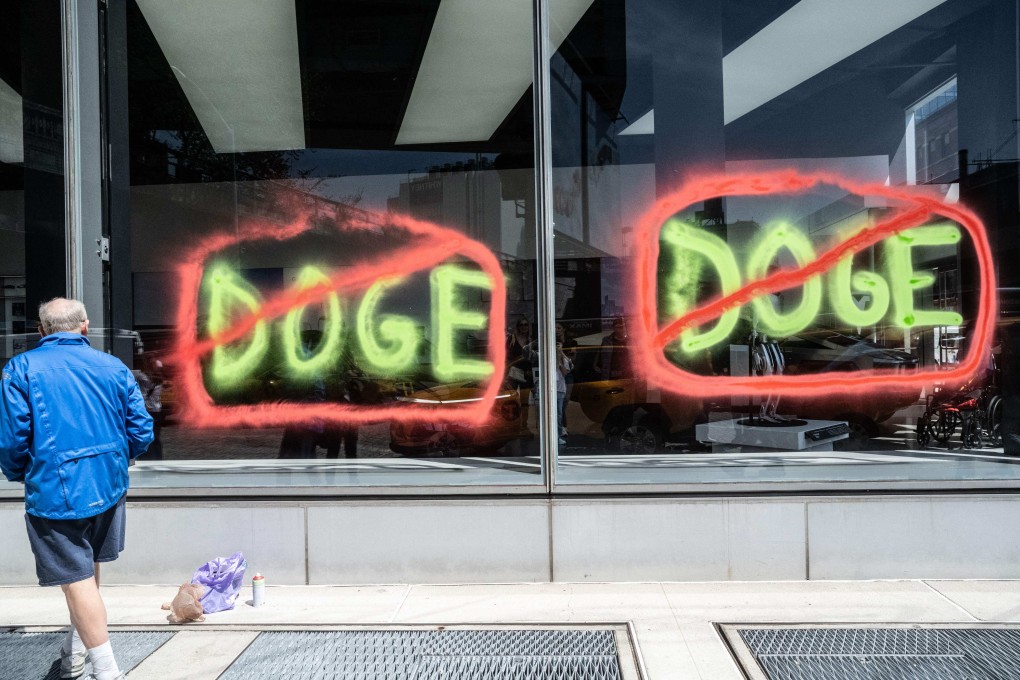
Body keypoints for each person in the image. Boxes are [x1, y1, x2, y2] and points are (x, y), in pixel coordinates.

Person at [0, 298, 153, 680]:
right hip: (109, 484)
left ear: (41, 330)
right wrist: (115, 460)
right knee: (85, 574)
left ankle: (106, 670)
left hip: (56, 489)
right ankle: (75, 651)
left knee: (76, 579)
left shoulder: (21, 368)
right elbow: (142, 431)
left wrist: (22, 473)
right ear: (85, 326)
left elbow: (11, 441)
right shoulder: (114, 367)